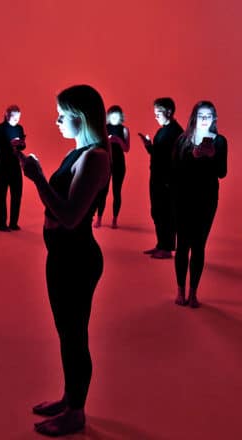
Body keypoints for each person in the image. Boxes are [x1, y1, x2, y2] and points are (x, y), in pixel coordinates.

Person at [18, 85, 110, 437]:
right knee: (67, 333)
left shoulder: (95, 157)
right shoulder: (80, 152)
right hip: (63, 256)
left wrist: (38, 177)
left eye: (62, 113)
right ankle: (70, 399)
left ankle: (76, 412)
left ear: (81, 117)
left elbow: (70, 216)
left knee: (74, 335)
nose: (56, 120)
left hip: (77, 258)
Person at [172, 101, 227, 308]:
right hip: (183, 199)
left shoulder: (220, 142)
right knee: (182, 245)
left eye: (209, 115)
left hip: (207, 200)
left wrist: (212, 156)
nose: (205, 118)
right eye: (201, 115)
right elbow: (175, 171)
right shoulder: (183, 140)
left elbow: (222, 172)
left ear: (214, 118)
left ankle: (193, 292)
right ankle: (180, 290)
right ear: (194, 116)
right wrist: (193, 157)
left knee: (198, 246)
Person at [138, 97, 183, 258]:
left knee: (166, 213)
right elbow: (158, 154)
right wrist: (149, 146)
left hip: (167, 180)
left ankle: (167, 248)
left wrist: (169, 181)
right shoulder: (162, 130)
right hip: (157, 177)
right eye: (155, 113)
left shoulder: (176, 131)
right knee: (157, 212)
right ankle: (161, 244)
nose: (156, 116)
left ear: (169, 112)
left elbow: (175, 158)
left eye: (158, 113)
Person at [94, 105, 130, 229]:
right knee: (102, 191)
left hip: (119, 163)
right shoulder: (104, 128)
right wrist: (108, 141)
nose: (114, 118)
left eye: (117, 115)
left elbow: (126, 149)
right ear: (108, 116)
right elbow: (98, 145)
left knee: (117, 191)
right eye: (112, 115)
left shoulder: (124, 130)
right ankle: (99, 219)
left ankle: (115, 220)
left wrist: (117, 140)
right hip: (106, 161)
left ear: (120, 117)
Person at [0, 105, 26, 231]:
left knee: (17, 195)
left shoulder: (19, 128)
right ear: (6, 115)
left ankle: (13, 223)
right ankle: (1, 224)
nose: (17, 119)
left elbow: (22, 146)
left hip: (14, 166)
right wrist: (10, 145)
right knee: (1, 196)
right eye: (14, 116)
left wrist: (21, 144)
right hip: (1, 166)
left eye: (19, 117)